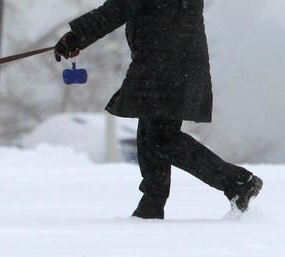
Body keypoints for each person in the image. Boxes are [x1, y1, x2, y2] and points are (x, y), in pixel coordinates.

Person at [54, 0, 262, 219]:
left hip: (163, 65)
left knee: (161, 138)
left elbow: (117, 8)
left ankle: (236, 181)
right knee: (151, 135)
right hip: (177, 62)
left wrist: (76, 37)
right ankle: (151, 205)